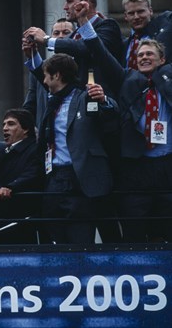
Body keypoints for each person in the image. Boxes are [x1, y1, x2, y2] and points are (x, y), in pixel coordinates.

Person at [77, 0, 172, 242]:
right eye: (140, 55)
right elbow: (100, 53)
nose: (143, 57)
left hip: (170, 168)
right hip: (136, 168)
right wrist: (83, 23)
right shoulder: (127, 80)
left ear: (162, 59)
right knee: (135, 235)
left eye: (149, 54)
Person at [38, 53, 118, 244]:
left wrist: (104, 99)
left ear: (56, 75)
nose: (44, 81)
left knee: (80, 237)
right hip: (54, 177)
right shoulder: (51, 102)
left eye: (46, 75)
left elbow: (111, 113)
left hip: (80, 177)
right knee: (54, 236)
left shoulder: (85, 97)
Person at [23, 0, 123, 91]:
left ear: (85, 3)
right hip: (74, 104)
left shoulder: (108, 26)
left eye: (69, 1)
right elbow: (56, 81)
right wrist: (33, 56)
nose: (65, 7)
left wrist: (47, 40)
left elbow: (88, 47)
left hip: (100, 103)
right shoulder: (71, 38)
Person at [0, 108, 41, 244]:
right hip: (5, 215)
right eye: (4, 124)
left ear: (26, 129)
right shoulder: (3, 152)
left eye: (11, 124)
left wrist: (10, 187)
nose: (5, 128)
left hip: (26, 214)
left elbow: (34, 172)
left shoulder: (36, 149)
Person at [23, 19, 75, 132]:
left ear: (75, 37)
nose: (60, 36)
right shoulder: (40, 67)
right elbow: (30, 105)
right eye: (56, 33)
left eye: (66, 32)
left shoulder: (82, 66)